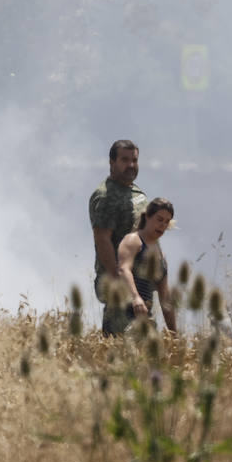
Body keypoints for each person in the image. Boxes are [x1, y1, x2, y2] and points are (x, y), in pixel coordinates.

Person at [89, 139, 148, 336]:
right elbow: (103, 239)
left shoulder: (136, 193)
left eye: (134, 160)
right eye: (124, 160)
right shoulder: (107, 196)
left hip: (140, 280)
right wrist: (117, 278)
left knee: (143, 339)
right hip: (117, 281)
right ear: (112, 162)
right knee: (120, 341)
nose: (131, 165)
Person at [116, 198, 179, 332]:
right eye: (159, 219)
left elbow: (165, 297)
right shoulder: (133, 240)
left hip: (144, 320)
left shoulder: (161, 256)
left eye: (167, 222)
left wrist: (174, 334)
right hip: (122, 315)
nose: (163, 225)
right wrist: (136, 298)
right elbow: (123, 269)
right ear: (148, 217)